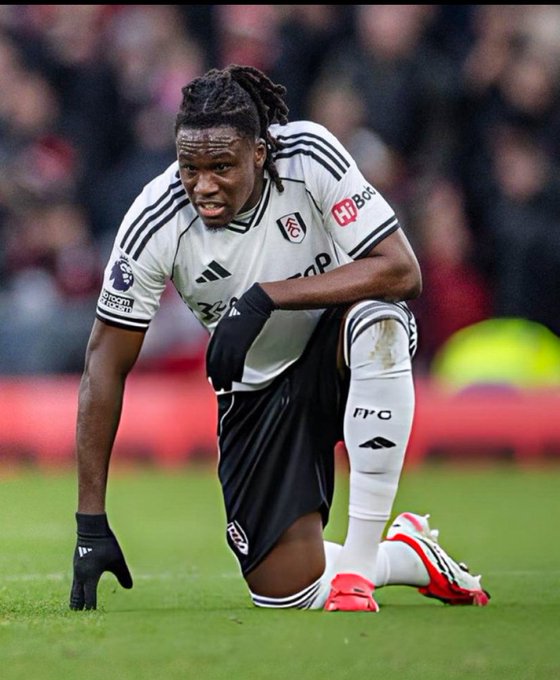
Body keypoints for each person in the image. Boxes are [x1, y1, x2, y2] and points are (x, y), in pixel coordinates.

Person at [69, 65, 489, 612]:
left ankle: (358, 569)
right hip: (257, 389)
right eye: (190, 167)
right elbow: (104, 363)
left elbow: (401, 271)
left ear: (260, 153)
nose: (203, 186)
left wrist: (265, 297)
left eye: (221, 166)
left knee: (379, 320)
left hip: (338, 346)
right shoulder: (156, 219)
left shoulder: (308, 155)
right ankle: (407, 555)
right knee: (285, 592)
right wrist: (90, 523)